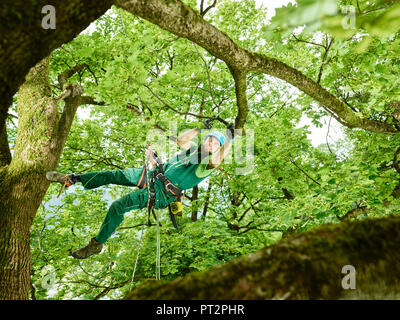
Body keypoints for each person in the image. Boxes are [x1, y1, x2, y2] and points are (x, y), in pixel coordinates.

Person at [46, 125, 235, 259]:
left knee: (117, 207)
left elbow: (217, 161)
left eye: (215, 144)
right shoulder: (192, 150)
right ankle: (72, 178)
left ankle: (96, 245)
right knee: (115, 175)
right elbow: (181, 140)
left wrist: (229, 140)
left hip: (160, 193)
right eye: (210, 140)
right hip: (153, 174)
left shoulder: (206, 164)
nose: (211, 144)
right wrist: (199, 129)